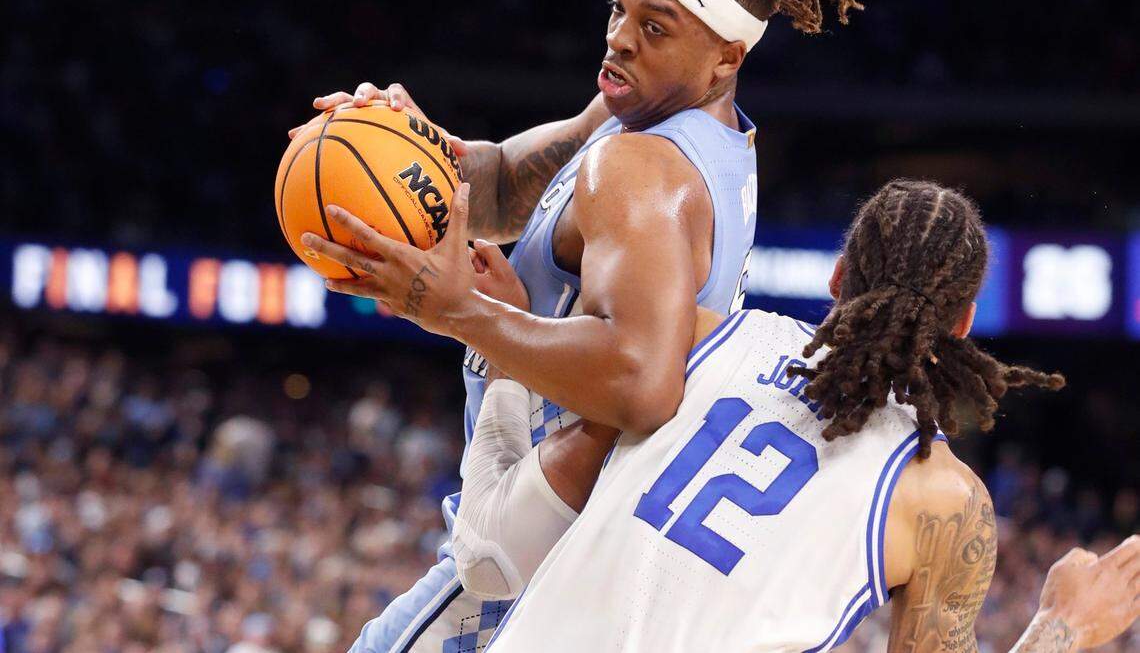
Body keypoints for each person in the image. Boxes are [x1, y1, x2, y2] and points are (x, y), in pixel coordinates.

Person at [301, 0, 899, 652]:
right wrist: (402, 143)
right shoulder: (648, 116)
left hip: (543, 557)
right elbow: (511, 187)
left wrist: (455, 312)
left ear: (728, 56)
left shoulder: (644, 168)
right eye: (620, 9)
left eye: (655, 28)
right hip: (559, 539)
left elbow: (641, 380)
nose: (620, 39)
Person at [452, 181, 1138, 651]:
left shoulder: (698, 336)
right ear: (962, 323)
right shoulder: (945, 500)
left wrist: (505, 327)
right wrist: (1064, 626)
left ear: (838, 277)